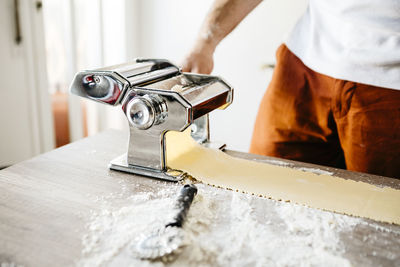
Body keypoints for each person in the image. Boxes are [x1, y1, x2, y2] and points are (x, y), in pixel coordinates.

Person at [182, 0, 400, 178]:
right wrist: (205, 43)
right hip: (304, 60)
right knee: (264, 183)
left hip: (389, 82)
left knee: (379, 210)